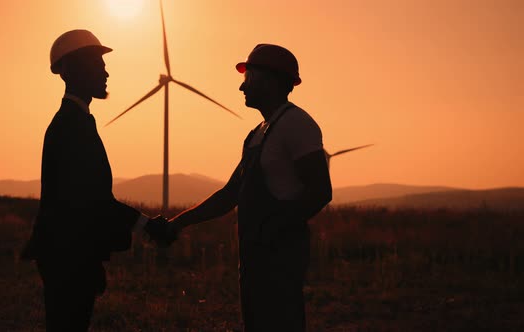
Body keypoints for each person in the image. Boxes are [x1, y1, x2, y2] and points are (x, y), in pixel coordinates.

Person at [168, 44, 332, 331]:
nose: (242, 88)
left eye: (248, 78)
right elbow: (230, 194)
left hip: (279, 259)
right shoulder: (256, 134)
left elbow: (320, 191)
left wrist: (274, 229)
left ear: (270, 81)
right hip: (255, 259)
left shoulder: (297, 124)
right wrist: (177, 223)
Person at [20, 29, 173, 331]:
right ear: (71, 70)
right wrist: (147, 225)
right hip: (68, 256)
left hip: (69, 255)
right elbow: (91, 200)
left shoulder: (77, 121)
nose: (105, 72)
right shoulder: (70, 126)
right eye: (96, 64)